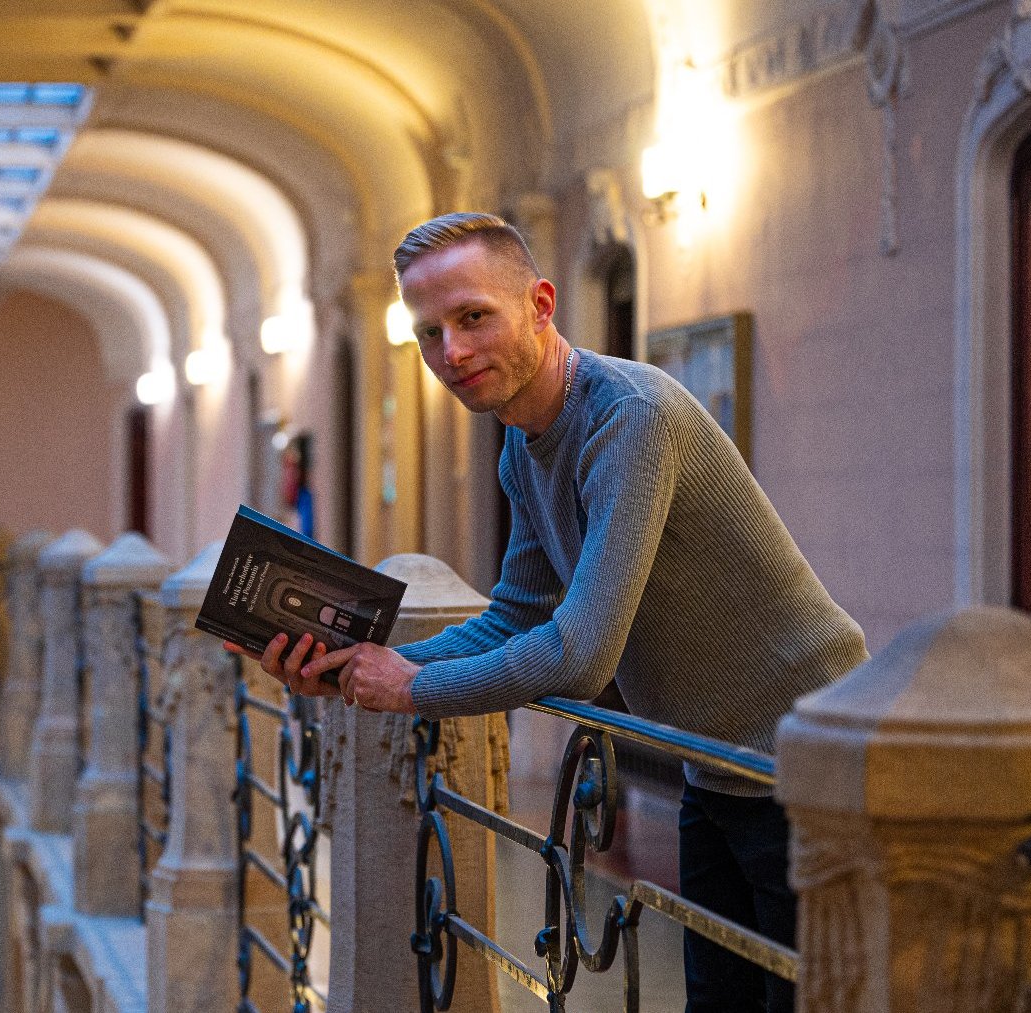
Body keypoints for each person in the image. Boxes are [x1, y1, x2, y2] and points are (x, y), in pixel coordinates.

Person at [227, 212, 867, 1012]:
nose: (450, 353)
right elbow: (515, 616)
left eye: (472, 318)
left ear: (540, 303)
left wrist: (410, 687)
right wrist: (358, 665)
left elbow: (578, 655)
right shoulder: (521, 443)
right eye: (429, 333)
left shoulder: (630, 416)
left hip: (806, 762)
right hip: (718, 765)